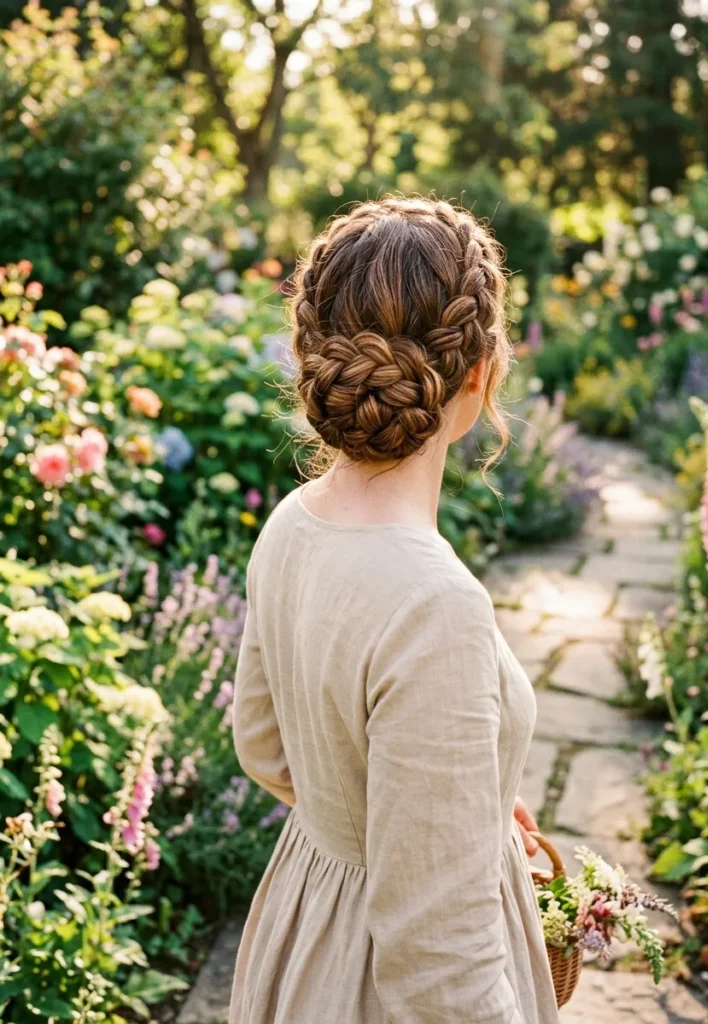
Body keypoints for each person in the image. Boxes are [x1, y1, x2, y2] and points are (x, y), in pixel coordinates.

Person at [230, 197, 559, 1023]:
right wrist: (434, 844)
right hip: (371, 990)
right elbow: (440, 969)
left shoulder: (291, 525)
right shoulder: (435, 605)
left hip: (308, 941)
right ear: (483, 371)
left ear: (308, 351)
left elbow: (262, 746)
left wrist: (449, 815)